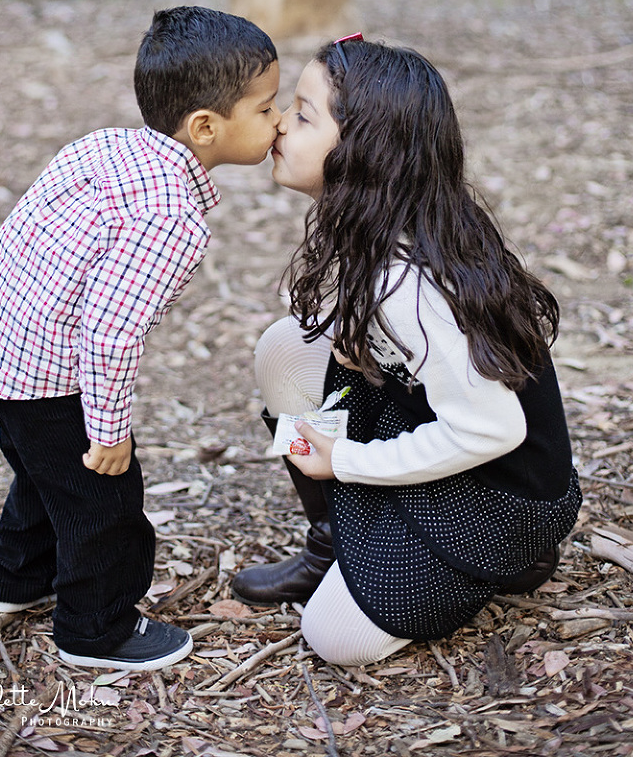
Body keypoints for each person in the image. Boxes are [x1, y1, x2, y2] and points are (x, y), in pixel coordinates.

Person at [231, 36, 581, 668]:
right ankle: (332, 544)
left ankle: (511, 562)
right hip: (437, 428)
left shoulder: (409, 283)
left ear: (365, 152)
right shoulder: (390, 226)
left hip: (501, 496)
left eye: (303, 115)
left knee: (334, 638)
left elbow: (494, 429)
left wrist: (348, 459)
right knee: (286, 349)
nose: (279, 122)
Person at [0, 6, 280, 672]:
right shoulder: (170, 217)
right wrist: (109, 432)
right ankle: (95, 630)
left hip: (3, 355)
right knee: (103, 503)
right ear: (205, 127)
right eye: (266, 108)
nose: (279, 122)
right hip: (54, 378)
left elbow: (23, 229)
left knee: (44, 474)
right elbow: (111, 334)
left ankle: (16, 581)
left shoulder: (106, 145)